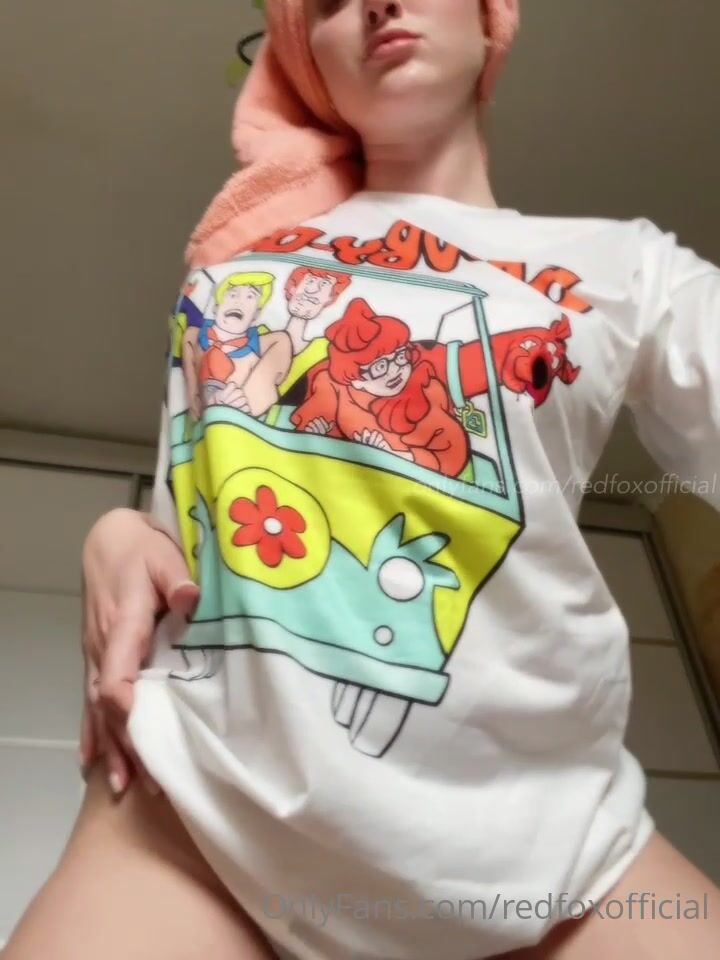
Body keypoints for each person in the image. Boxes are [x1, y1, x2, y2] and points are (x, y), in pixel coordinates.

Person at [5, 2, 720, 959]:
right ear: (307, 61)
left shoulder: (627, 266)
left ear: (491, 21)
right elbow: (208, 484)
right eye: (328, 2)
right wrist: (120, 529)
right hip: (198, 819)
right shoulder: (237, 263)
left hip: (552, 853)